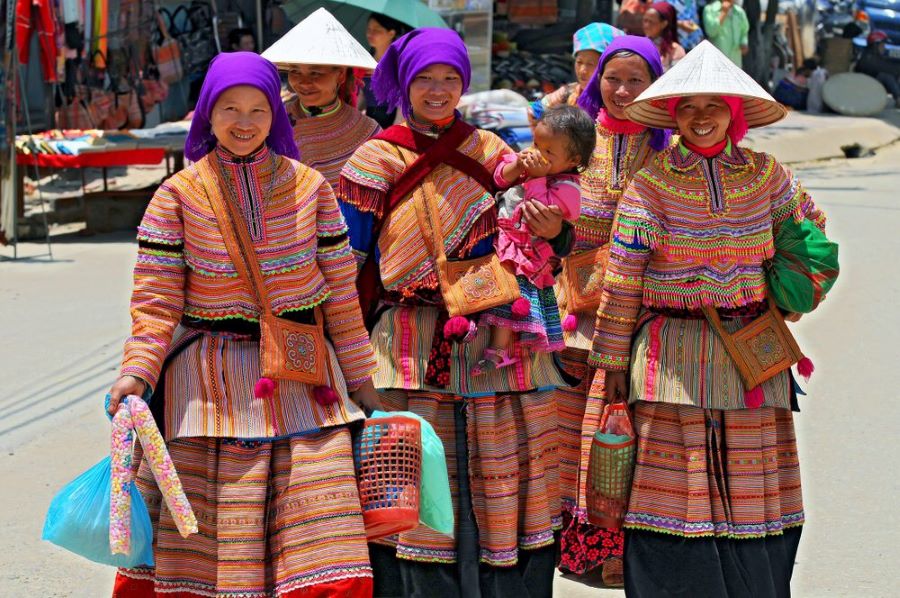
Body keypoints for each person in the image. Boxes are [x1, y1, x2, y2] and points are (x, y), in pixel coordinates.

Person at [107, 51, 381, 597]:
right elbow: (156, 302)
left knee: (324, 542)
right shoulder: (175, 197)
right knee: (211, 552)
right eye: (229, 107)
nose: (244, 122)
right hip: (207, 389)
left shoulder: (311, 188)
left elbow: (340, 299)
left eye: (258, 108)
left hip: (305, 380)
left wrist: (365, 386)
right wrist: (136, 374)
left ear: (275, 116)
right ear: (207, 113)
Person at [338, 28, 572, 597]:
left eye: (450, 79)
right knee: (409, 490)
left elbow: (542, 240)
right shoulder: (370, 162)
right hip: (407, 344)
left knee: (506, 490)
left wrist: (558, 234)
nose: (438, 90)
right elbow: (350, 263)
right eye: (424, 78)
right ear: (403, 82)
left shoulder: (494, 153)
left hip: (497, 336)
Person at [593, 40, 829, 596]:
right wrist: (611, 363)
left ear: (734, 112)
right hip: (670, 358)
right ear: (673, 116)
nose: (702, 118)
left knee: (754, 492)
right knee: (674, 491)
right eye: (689, 107)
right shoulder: (650, 184)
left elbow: (812, 239)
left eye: (714, 106)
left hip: (754, 355)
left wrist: (791, 295)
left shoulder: (769, 176)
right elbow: (623, 276)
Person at [555, 34, 672, 587]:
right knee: (562, 438)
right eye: (612, 79)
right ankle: (567, 551)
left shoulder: (671, 155)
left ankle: (621, 557)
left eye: (636, 81)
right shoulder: (573, 141)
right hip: (569, 317)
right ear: (595, 80)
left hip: (640, 322)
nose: (622, 91)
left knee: (623, 445)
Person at [472, 105, 595, 376]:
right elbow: (499, 176)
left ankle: (498, 350)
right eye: (537, 144)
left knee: (509, 296)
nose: (538, 153)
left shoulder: (570, 187)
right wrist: (517, 165)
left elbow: (540, 212)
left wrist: (537, 179)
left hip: (527, 256)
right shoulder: (534, 163)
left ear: (573, 158)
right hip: (503, 239)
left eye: (549, 151)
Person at [263, 8, 381, 192]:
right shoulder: (272, 120)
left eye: (315, 73)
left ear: (340, 75)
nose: (303, 82)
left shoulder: (366, 132)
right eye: (295, 71)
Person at [536, 23, 625, 113]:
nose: (582, 70)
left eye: (590, 64)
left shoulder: (620, 101)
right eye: (579, 62)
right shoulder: (569, 93)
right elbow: (537, 109)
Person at [362, 12, 411, 128]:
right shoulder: (365, 60)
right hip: (367, 123)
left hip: (392, 122)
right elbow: (362, 95)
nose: (370, 33)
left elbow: (403, 100)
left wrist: (396, 128)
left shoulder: (399, 62)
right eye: (369, 29)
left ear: (391, 33)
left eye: (376, 30)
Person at [855, 31, 900, 107]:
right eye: (882, 45)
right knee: (886, 76)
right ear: (875, 45)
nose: (884, 48)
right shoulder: (867, 57)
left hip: (873, 84)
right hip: (865, 87)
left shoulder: (875, 56)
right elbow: (883, 68)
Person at [703, 0, 750, 67]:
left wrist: (744, 42)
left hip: (735, 63)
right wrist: (723, 12)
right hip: (717, 63)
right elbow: (711, 32)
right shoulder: (710, 10)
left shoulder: (740, 12)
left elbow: (744, 30)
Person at [644, 2, 687, 70]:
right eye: (645, 20)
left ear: (664, 24)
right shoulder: (641, 45)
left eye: (651, 22)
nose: (646, 25)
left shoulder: (675, 50)